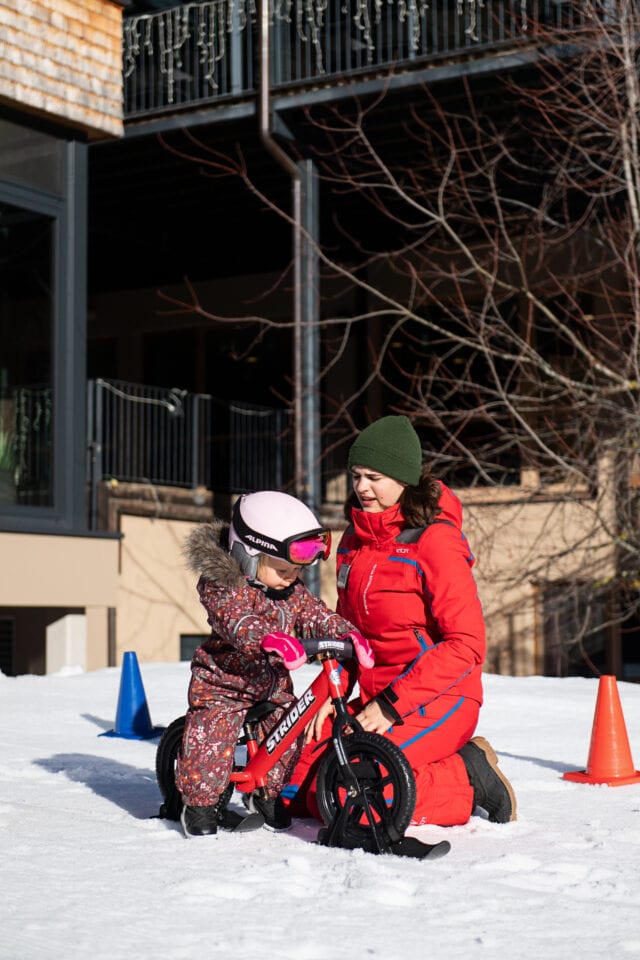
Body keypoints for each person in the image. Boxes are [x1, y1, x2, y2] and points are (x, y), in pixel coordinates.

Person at [285, 414, 516, 828]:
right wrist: (325, 696)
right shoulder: (353, 543)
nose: (360, 487)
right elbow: (349, 638)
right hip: (377, 698)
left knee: (349, 798)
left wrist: (391, 707)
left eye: (374, 476)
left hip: (438, 699)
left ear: (404, 479)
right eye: (355, 475)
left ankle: (466, 776)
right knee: (294, 786)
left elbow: (466, 644)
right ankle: (438, 765)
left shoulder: (435, 542)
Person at [174, 490, 366, 839]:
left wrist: (348, 636)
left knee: (287, 733)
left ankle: (266, 795)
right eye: (282, 569)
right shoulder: (224, 587)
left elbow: (315, 614)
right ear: (248, 557)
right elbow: (238, 619)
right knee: (212, 738)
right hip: (225, 684)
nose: (292, 577)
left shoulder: (289, 589)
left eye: (297, 570)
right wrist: (268, 639)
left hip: (271, 685)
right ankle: (200, 806)